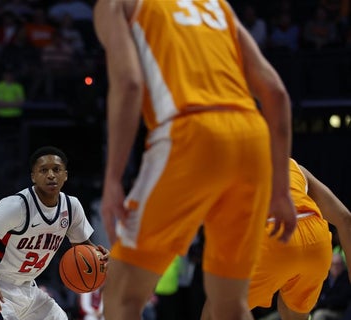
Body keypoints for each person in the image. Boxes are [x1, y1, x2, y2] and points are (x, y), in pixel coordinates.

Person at [93, 1, 297, 319]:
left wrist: (112, 179)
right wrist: (281, 190)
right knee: (231, 304)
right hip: (251, 140)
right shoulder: (218, 6)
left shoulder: (115, 4)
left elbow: (129, 84)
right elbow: (276, 92)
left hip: (189, 135)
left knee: (121, 295)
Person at [0, 146, 109, 320]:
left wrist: (102, 259)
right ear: (33, 177)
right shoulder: (17, 206)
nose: (50, 175)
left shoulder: (71, 207)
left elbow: (83, 249)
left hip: (28, 289)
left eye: (56, 169)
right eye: (43, 170)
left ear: (65, 175)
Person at [236, 159, 351, 320]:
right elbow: (345, 219)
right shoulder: (294, 167)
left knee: (216, 309)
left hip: (274, 237)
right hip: (316, 242)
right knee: (293, 313)